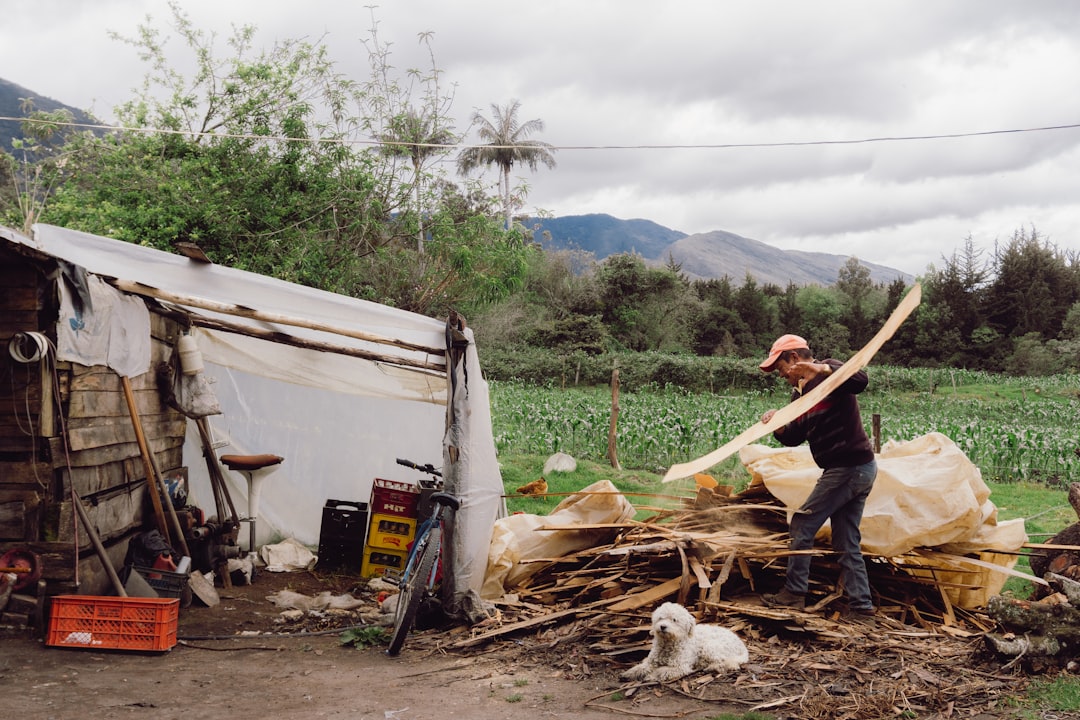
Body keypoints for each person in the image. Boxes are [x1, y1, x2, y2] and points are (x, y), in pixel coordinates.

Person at [756, 334, 878, 623]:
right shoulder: (799, 395)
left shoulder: (830, 370)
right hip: (852, 469)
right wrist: (778, 424)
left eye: (780, 367)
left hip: (849, 468)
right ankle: (862, 610)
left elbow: (861, 380)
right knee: (846, 540)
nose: (780, 375)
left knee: (802, 522)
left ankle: (794, 593)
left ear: (795, 358)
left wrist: (822, 370)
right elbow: (795, 437)